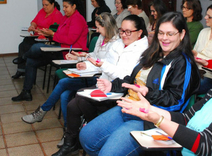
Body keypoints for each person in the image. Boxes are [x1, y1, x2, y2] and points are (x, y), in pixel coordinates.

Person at [79, 12, 201, 156]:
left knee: (108, 153)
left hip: (150, 116)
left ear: (181, 34)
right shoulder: (153, 53)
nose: (164, 38)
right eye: (161, 33)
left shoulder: (183, 62)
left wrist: (147, 92)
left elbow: (176, 101)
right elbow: (131, 80)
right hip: (130, 106)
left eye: (170, 34)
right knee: (86, 137)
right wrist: (113, 86)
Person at [51, 15, 149, 156]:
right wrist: (90, 65)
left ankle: (86, 136)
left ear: (139, 32)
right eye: (122, 31)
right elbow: (103, 64)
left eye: (128, 32)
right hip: (104, 85)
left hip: (121, 91)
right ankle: (71, 143)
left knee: (80, 100)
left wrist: (104, 66)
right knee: (73, 104)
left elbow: (125, 77)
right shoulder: (118, 43)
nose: (123, 35)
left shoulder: (143, 50)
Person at [20, 13, 119, 128]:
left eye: (98, 28)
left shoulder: (116, 44)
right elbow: (94, 55)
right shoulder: (102, 37)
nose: (96, 30)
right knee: (65, 95)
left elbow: (104, 64)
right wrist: (80, 57)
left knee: (63, 83)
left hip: (100, 79)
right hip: (91, 72)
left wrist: (86, 64)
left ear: (107, 26)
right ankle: (69, 130)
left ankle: (42, 112)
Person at [11, 0, 88, 101]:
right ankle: (26, 92)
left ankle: (23, 57)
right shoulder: (66, 17)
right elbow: (59, 35)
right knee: (31, 61)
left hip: (71, 52)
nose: (64, 9)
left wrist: (52, 34)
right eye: (63, 7)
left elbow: (70, 39)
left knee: (36, 47)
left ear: (74, 6)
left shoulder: (77, 19)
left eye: (66, 7)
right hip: (61, 48)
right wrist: (48, 34)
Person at [11, 0, 64, 79]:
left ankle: (24, 60)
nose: (44, 7)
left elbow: (52, 32)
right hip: (37, 36)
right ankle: (21, 70)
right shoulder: (42, 11)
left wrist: (41, 31)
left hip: (47, 40)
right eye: (43, 5)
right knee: (23, 45)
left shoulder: (57, 15)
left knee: (28, 46)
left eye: (46, 5)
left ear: (53, 4)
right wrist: (32, 26)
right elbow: (34, 21)